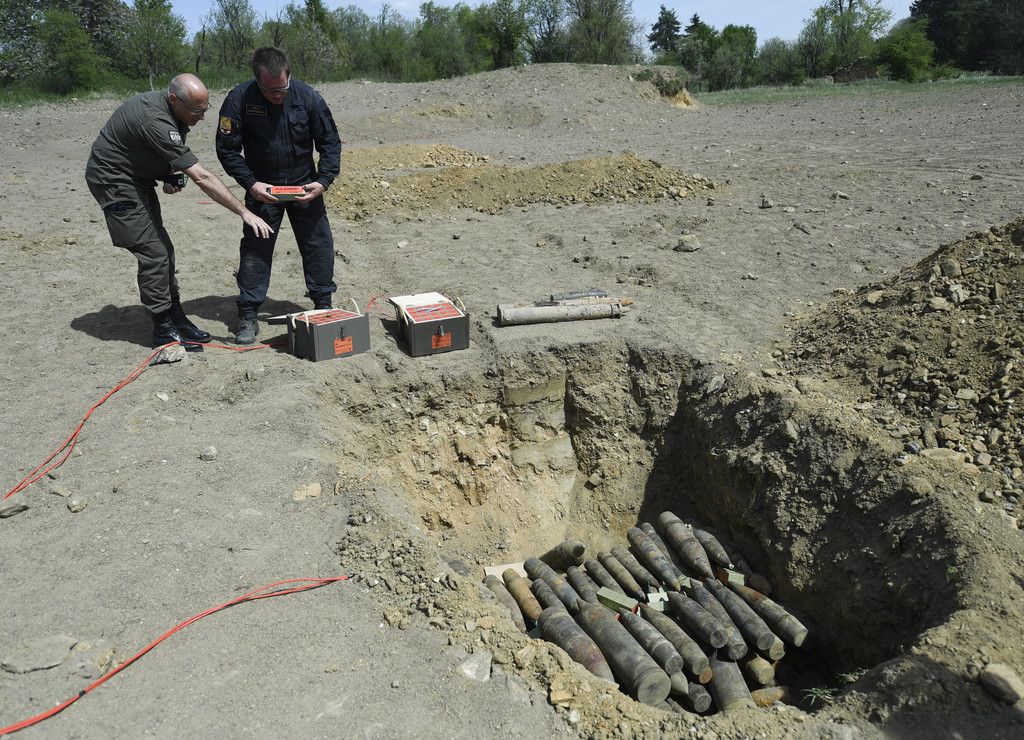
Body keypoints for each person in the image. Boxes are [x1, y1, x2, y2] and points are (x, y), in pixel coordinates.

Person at [86, 74, 273, 351]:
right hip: (114, 182)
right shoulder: (155, 119)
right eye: (197, 110)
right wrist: (244, 212)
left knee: (165, 250)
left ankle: (175, 316)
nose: (202, 116)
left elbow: (159, 151)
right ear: (174, 99)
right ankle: (163, 330)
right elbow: (202, 177)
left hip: (137, 180)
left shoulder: (174, 113)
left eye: (205, 108)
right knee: (154, 253)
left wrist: (167, 174)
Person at [216, 47, 342, 345]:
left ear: (290, 77)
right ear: (256, 80)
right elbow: (226, 149)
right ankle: (248, 313)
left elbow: (330, 142)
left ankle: (323, 304)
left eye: (282, 89)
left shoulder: (308, 97)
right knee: (255, 249)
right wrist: (251, 184)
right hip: (263, 190)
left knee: (319, 244)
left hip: (304, 187)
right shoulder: (239, 99)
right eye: (270, 90)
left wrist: (323, 181)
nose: (277, 95)